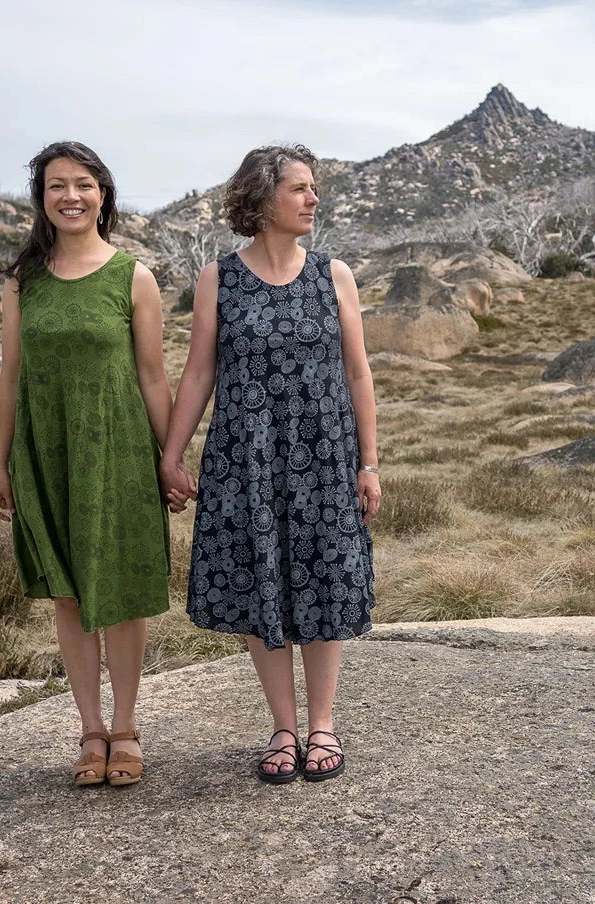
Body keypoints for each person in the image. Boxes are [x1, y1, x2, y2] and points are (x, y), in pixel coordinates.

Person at [160, 144, 380, 783]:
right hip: (247, 455)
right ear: (261, 199)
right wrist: (172, 456)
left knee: (324, 580)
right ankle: (283, 726)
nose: (314, 199)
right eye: (300, 189)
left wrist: (369, 462)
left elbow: (358, 372)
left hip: (323, 454)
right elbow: (199, 372)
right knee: (263, 583)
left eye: (314, 188)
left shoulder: (333, 274)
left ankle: (322, 726)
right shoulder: (218, 278)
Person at [0, 140, 180, 787]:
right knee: (69, 597)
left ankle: (125, 728)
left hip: (120, 453)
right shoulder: (25, 279)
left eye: (83, 184)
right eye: (55, 186)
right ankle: (89, 732)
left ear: (104, 193)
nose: (70, 196)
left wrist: (172, 458)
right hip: (47, 453)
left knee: (121, 595)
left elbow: (153, 378)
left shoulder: (133, 276)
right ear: (41, 200)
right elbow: (10, 377)